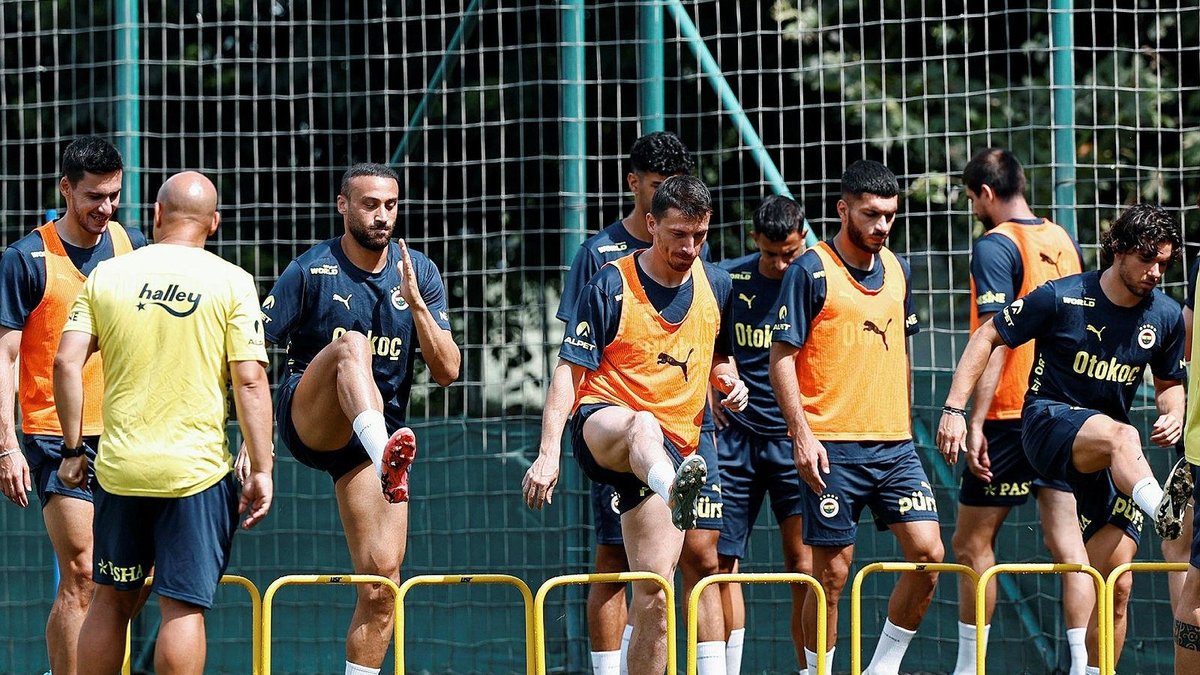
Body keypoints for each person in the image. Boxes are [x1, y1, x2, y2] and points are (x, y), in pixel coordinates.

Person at [938, 203, 1192, 675]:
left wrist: (1173, 414)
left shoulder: (1167, 315)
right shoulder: (1062, 296)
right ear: (1118, 249)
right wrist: (955, 410)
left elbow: (1169, 386)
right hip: (1047, 426)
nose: (1156, 272)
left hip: (1107, 457)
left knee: (1116, 585)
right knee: (1122, 436)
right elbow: (987, 336)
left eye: (1164, 263)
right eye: (1147, 260)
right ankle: (1164, 510)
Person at [523, 175, 748, 675]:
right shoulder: (610, 282)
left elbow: (719, 358)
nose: (689, 247)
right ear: (651, 224)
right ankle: (674, 490)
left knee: (655, 596)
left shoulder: (718, 285)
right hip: (605, 424)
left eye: (699, 235)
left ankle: (670, 487)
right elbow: (569, 371)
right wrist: (547, 453)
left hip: (674, 448)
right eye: (677, 235)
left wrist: (731, 382)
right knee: (642, 425)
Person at [54, 171, 274, 674]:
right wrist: (262, 468)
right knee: (181, 607)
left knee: (110, 600)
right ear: (214, 223)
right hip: (196, 475)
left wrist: (72, 451)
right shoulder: (232, 281)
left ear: (156, 214)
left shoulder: (108, 275)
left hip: (119, 470)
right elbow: (250, 382)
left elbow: (66, 362)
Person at [260, 162, 460, 675]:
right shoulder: (310, 269)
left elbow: (448, 371)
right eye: (370, 205)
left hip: (373, 446)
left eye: (391, 205)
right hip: (313, 418)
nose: (382, 216)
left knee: (381, 587)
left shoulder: (418, 272)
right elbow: (251, 356)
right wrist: (252, 442)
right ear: (343, 205)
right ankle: (384, 454)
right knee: (352, 345)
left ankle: (383, 457)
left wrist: (417, 306)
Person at [768, 159, 943, 675]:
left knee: (929, 555)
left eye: (890, 215)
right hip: (832, 447)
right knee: (831, 577)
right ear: (843, 210)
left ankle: (882, 669)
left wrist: (903, 422)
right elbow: (781, 359)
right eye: (871, 214)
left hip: (895, 448)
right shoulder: (810, 270)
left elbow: (903, 351)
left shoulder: (900, 269)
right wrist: (802, 435)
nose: (882, 225)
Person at [0, 136, 146, 675]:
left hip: (130, 432)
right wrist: (6, 445)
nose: (105, 208)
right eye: (93, 197)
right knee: (82, 573)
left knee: (132, 578)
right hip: (54, 433)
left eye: (113, 195)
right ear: (65, 189)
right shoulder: (26, 258)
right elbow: (6, 356)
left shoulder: (132, 246)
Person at [947, 148, 1092, 675]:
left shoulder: (994, 244)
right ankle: (1083, 666)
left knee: (970, 543)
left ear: (986, 193)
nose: (974, 209)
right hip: (1065, 413)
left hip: (1010, 415)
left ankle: (970, 667)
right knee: (1069, 545)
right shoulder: (1063, 239)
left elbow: (996, 338)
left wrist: (975, 420)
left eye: (972, 199)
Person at [713, 194, 810, 675]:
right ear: (754, 240)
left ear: (803, 238)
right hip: (734, 439)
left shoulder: (816, 279)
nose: (780, 264)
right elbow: (706, 343)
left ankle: (811, 669)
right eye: (771, 254)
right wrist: (714, 381)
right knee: (719, 564)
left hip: (795, 442)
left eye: (789, 253)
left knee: (805, 567)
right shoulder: (727, 279)